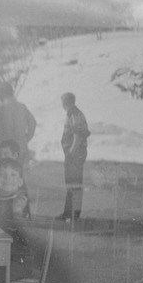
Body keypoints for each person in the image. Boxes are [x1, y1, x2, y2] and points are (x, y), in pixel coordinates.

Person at [57, 92, 90, 222]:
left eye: (62, 101)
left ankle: (72, 214)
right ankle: (69, 213)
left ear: (65, 102)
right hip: (74, 153)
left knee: (73, 184)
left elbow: (79, 134)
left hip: (75, 154)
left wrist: (71, 150)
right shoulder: (73, 113)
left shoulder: (74, 114)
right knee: (72, 184)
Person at [0, 82, 37, 167]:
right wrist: (26, 138)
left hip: (7, 150)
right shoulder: (22, 107)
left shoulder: (1, 110)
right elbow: (33, 123)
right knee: (19, 174)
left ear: (2, 95)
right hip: (21, 147)